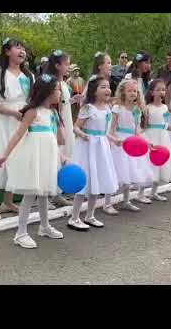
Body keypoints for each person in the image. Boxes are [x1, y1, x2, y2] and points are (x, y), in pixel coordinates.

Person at [0, 74, 65, 249]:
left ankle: (45, 226)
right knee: (30, 194)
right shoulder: (33, 112)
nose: (60, 93)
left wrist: (61, 155)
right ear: (47, 92)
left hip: (47, 157)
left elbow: (56, 139)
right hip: (34, 157)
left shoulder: (53, 113)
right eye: (57, 90)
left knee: (43, 193)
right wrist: (4, 154)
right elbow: (19, 134)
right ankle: (21, 232)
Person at [0, 38, 34, 221]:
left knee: (16, 158)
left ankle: (7, 202)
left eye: (23, 48)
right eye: (17, 47)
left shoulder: (28, 76)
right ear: (7, 51)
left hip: (22, 122)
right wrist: (12, 112)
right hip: (5, 121)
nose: (22, 50)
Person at [68, 75, 119, 230]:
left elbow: (103, 132)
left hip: (101, 148)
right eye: (102, 87)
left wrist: (114, 139)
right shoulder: (88, 108)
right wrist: (82, 134)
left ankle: (90, 215)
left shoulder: (108, 109)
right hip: (87, 147)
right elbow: (75, 127)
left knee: (96, 181)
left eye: (108, 86)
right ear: (94, 91)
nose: (107, 89)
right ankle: (74, 217)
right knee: (83, 182)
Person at [138, 79, 171, 202]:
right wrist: (144, 140)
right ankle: (140, 193)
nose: (162, 92)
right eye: (158, 89)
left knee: (160, 163)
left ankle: (154, 192)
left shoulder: (165, 107)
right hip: (150, 136)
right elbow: (142, 126)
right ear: (151, 92)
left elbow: (166, 125)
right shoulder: (147, 108)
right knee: (148, 164)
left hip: (163, 137)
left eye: (163, 90)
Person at [109, 79, 153, 209]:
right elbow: (111, 129)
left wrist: (146, 142)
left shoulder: (136, 110)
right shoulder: (117, 108)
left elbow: (137, 130)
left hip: (132, 144)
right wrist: (115, 139)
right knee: (116, 173)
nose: (133, 93)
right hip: (119, 142)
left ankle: (126, 201)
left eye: (135, 91)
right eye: (130, 91)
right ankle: (107, 203)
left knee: (128, 174)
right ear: (123, 92)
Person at [46, 49, 75, 207]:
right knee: (55, 156)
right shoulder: (53, 83)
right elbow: (54, 106)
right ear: (57, 65)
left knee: (63, 155)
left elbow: (63, 103)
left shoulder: (63, 83)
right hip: (59, 123)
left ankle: (58, 192)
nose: (69, 67)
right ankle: (46, 195)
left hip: (67, 121)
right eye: (66, 64)